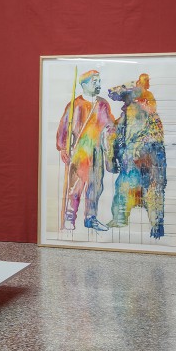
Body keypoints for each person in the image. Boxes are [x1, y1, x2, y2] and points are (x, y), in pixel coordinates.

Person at [55, 69, 116, 232]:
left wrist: (112, 133)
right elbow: (64, 126)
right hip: (80, 152)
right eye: (94, 82)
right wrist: (62, 147)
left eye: (99, 81)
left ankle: (91, 218)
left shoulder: (103, 104)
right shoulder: (75, 105)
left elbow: (110, 125)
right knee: (75, 187)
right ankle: (69, 217)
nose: (98, 84)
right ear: (84, 84)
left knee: (95, 187)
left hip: (98, 151)